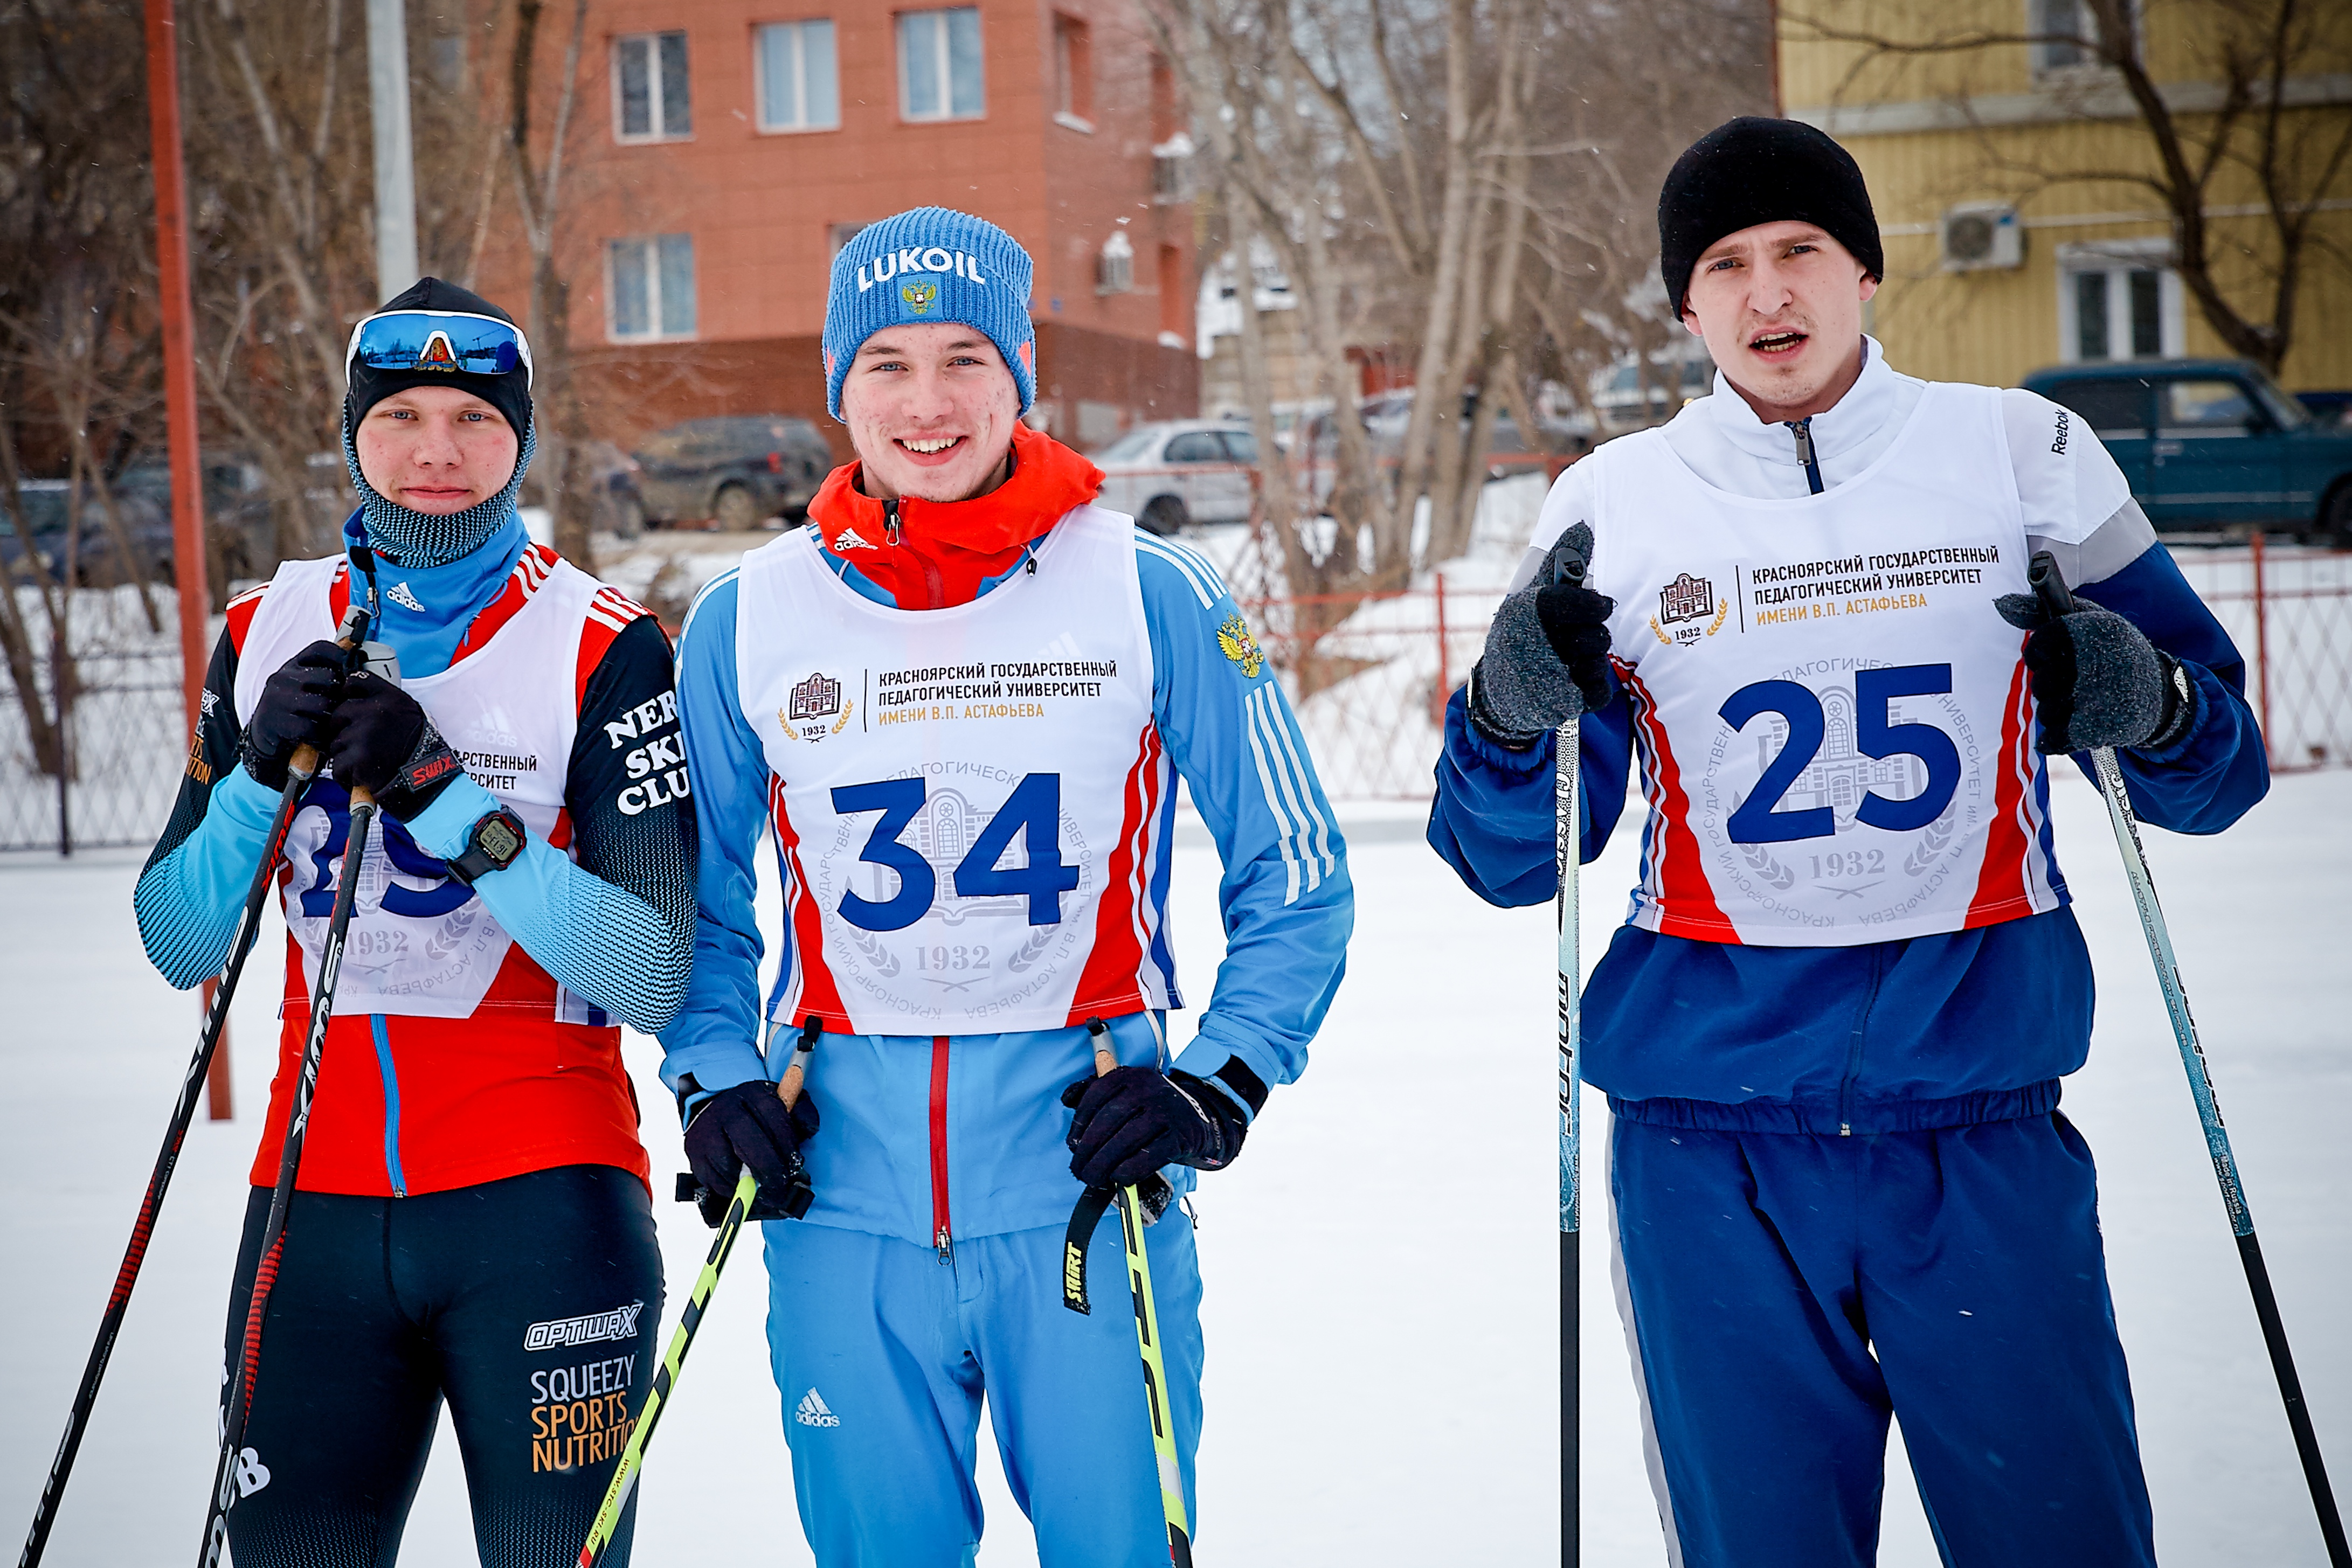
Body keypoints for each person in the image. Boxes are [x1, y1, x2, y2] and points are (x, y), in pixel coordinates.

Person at [1429, 118, 2267, 1566]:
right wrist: (1506, 718)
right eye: (1727, 265)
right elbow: (1511, 856)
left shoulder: (2019, 452)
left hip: (1977, 1130)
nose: (1768, 297)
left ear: (1864, 269)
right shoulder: (1608, 504)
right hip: (1709, 1150)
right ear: (1683, 305)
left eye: (1800, 252)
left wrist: (2153, 694)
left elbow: (2220, 773)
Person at [662, 207, 1353, 1565]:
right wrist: (711, 1076)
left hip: (1082, 1194)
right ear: (837, 386)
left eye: (967, 357)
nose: (929, 404)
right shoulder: (748, 615)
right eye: (889, 365)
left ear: (1022, 369)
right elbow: (699, 903)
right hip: (838, 1202)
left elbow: (1299, 870)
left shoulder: (1146, 587)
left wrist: (1219, 1081)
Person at [133, 279, 691, 1568]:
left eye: (474, 420)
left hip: (544, 1211)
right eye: (401, 418)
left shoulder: (603, 647)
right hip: (309, 1213)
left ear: (523, 438)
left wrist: (448, 799)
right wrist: (256, 775)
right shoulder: (263, 630)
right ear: (351, 434)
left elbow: (652, 968)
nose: (437, 453)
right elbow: (178, 943)